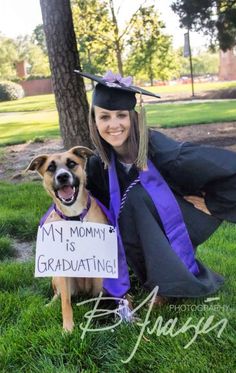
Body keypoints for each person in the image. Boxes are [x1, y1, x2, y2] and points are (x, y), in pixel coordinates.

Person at [75, 69, 236, 302]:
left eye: (121, 115)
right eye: (104, 117)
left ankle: (165, 287)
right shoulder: (96, 165)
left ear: (134, 117)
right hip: (145, 221)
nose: (114, 125)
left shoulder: (161, 150)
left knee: (137, 197)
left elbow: (225, 167)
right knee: (130, 203)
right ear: (94, 121)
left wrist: (215, 203)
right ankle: (144, 274)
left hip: (188, 216)